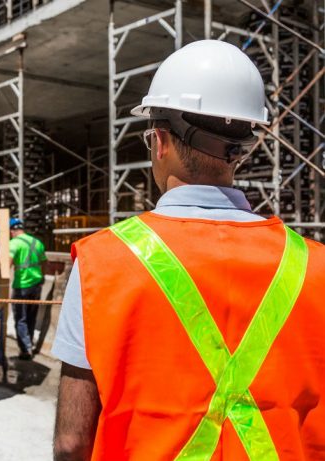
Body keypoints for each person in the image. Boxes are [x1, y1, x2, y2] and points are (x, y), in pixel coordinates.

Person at [52, 40, 325, 460]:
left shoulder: (99, 263)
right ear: (243, 148)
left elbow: (72, 443)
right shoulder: (315, 266)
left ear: (159, 141)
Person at [9, 218, 47, 359]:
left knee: (20, 318)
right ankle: (29, 343)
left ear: (12, 231)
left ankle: (25, 350)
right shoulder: (37, 243)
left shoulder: (13, 244)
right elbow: (45, 262)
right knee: (31, 317)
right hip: (36, 285)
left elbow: (7, 264)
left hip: (21, 286)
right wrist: (41, 277)